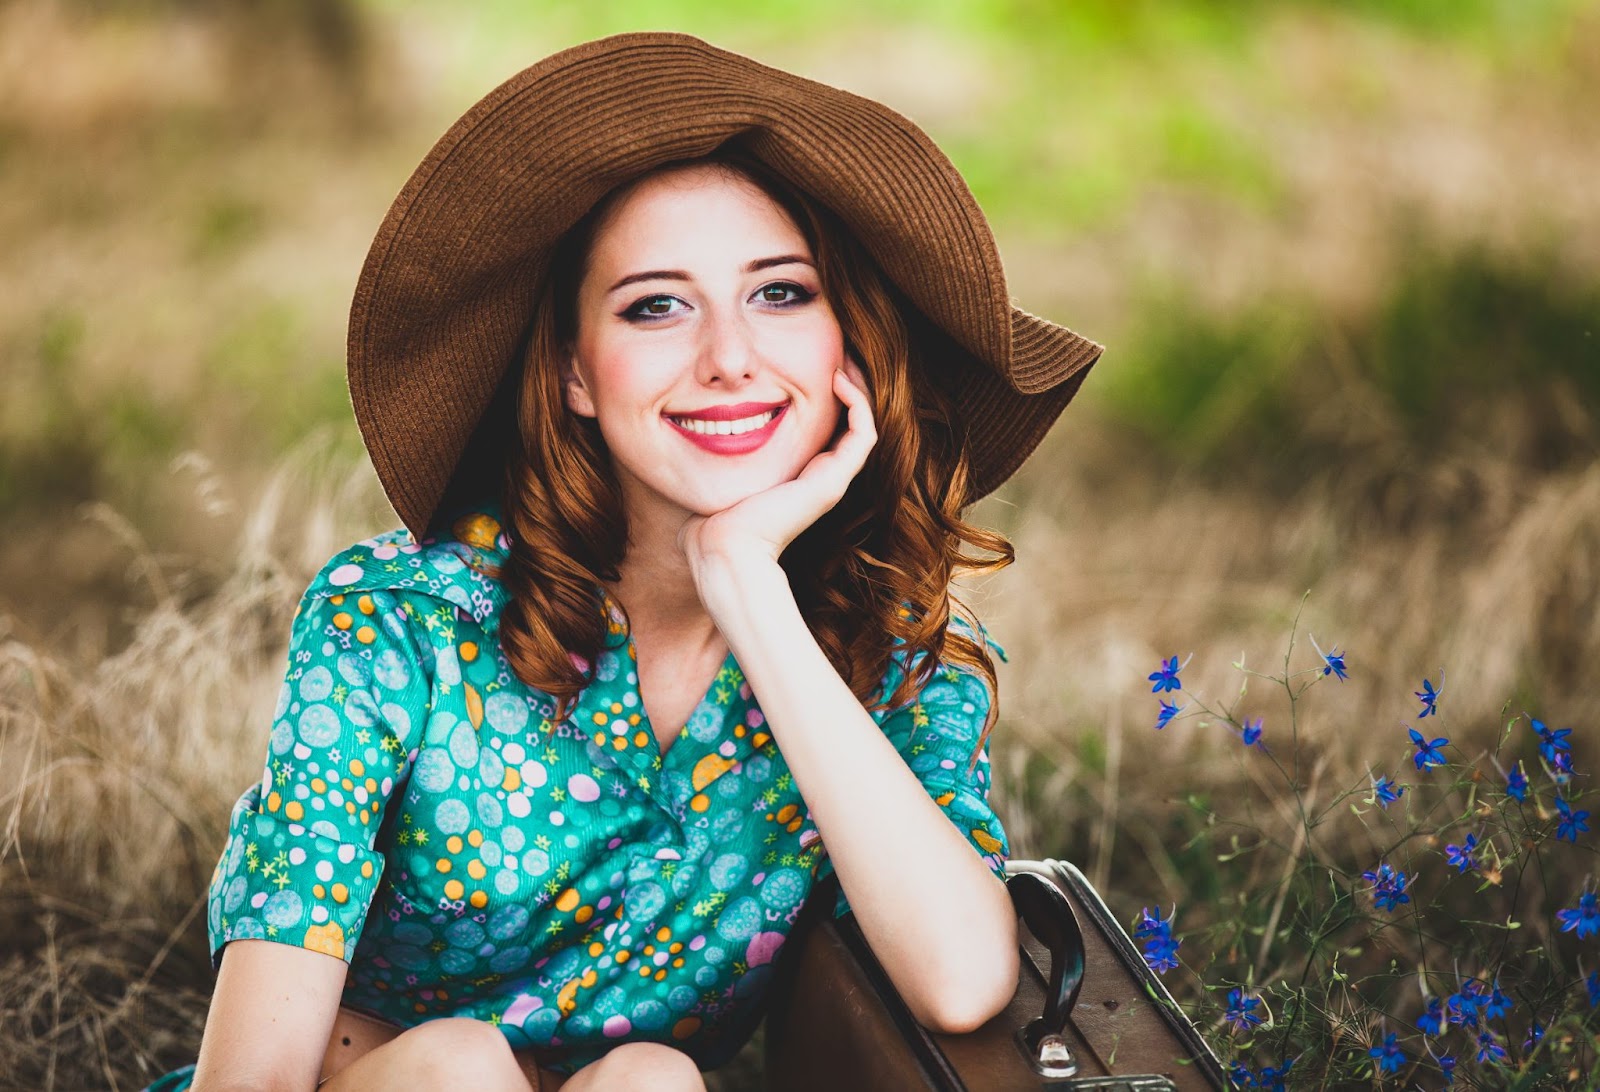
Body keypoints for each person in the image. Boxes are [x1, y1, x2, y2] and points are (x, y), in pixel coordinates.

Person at [143, 29, 1103, 1092]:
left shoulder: (897, 651)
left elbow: (963, 981)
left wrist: (745, 585)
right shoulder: (400, 624)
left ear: (849, 346)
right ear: (573, 373)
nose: (729, 357)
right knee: (464, 1069)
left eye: (780, 293)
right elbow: (252, 1082)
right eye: (656, 305)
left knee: (654, 1079)